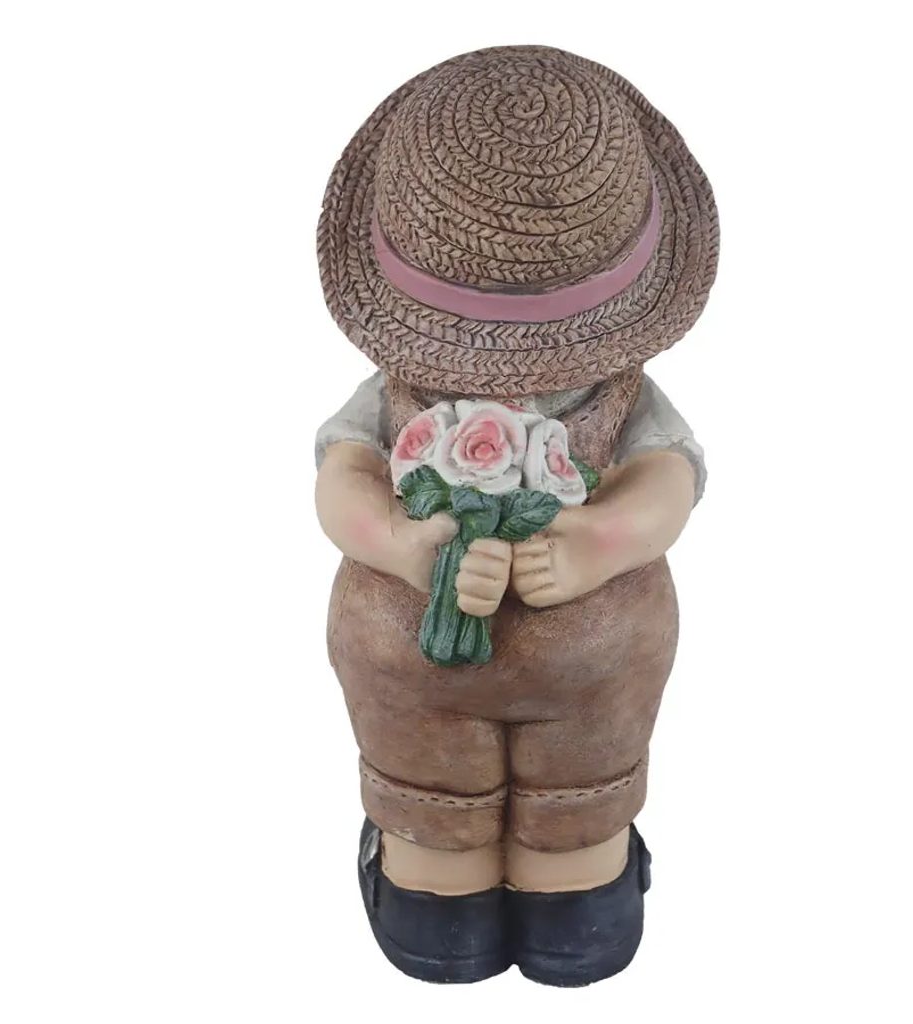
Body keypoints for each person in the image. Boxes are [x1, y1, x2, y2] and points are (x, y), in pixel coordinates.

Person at [313, 45, 718, 986]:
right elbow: (342, 480)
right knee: (543, 785)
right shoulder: (616, 396)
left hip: (455, 655)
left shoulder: (399, 393)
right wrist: (408, 548)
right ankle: (544, 901)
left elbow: (667, 481)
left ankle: (481, 899)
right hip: (546, 655)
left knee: (499, 784)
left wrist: (593, 544)